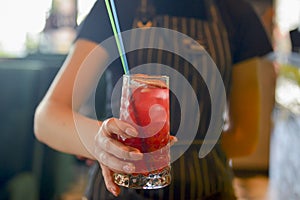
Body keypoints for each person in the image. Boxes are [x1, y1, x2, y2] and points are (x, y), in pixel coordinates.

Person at [34, 0, 273, 199]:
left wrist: (170, 154)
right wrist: (101, 144)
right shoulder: (118, 6)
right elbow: (46, 118)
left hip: (209, 190)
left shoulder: (235, 11)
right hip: (120, 192)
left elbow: (245, 137)